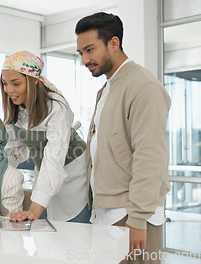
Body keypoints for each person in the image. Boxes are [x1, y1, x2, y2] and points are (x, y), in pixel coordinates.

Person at [75, 12, 171, 263]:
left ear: (114, 43)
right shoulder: (108, 87)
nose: (85, 59)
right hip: (109, 213)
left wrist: (138, 217)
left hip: (132, 216)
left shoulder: (143, 86)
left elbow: (150, 156)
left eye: (90, 49)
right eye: (80, 53)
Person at [2, 51, 90, 223]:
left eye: (16, 83)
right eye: (5, 84)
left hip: (72, 174)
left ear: (34, 80)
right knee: (44, 231)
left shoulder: (56, 106)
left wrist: (33, 209)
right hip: (44, 172)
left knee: (72, 232)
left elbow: (54, 158)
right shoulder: (15, 106)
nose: (9, 90)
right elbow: (15, 148)